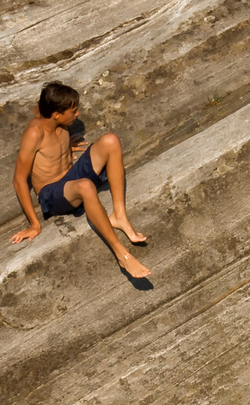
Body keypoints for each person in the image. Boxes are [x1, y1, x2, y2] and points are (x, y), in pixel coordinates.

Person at [10, 81, 151, 282]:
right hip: (53, 194)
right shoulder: (35, 132)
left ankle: (119, 215)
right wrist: (34, 224)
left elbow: (39, 107)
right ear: (56, 114)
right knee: (86, 186)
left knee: (110, 140)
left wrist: (64, 148)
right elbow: (18, 180)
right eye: (73, 111)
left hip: (71, 177)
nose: (77, 115)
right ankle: (122, 254)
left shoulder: (52, 116)